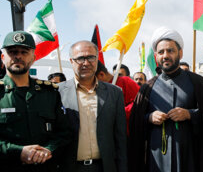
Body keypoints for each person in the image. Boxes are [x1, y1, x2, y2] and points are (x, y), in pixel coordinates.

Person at [128, 27, 203, 172]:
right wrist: (149, 117)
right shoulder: (147, 87)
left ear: (180, 53)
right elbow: (135, 122)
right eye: (161, 52)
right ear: (156, 56)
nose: (165, 55)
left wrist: (189, 114)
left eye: (170, 50)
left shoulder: (198, 83)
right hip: (157, 159)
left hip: (190, 156)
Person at [0, 31, 71, 172]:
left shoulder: (50, 93)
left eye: (24, 52)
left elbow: (64, 133)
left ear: (33, 58)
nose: (18, 56)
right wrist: (18, 152)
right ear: (3, 57)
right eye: (12, 52)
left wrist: (48, 150)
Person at [58, 41, 127, 172]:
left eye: (90, 57)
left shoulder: (114, 93)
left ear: (97, 59)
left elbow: (120, 139)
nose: (86, 63)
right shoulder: (58, 92)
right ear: (71, 61)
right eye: (80, 58)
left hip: (104, 167)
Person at [96, 61, 139, 126]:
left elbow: (139, 103)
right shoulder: (97, 89)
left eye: (92, 80)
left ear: (101, 75)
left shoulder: (125, 82)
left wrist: (117, 113)